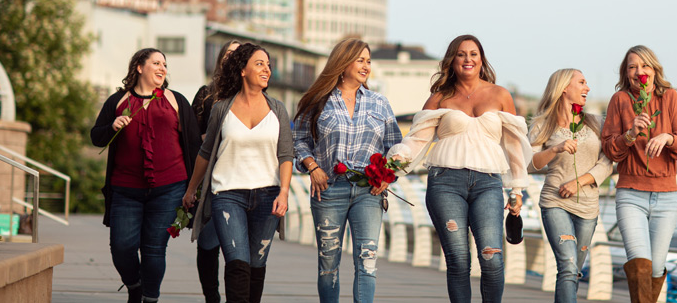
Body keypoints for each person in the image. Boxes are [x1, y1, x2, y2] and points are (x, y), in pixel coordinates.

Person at [388, 34, 532, 303]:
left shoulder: (500, 95)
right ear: (452, 61)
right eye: (461, 54)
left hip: (488, 183)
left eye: (473, 54)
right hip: (445, 182)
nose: (468, 59)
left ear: (481, 59)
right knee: (458, 260)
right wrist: (391, 166)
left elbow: (514, 146)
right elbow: (416, 140)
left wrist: (517, 190)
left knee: (491, 257)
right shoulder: (440, 97)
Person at [291, 39, 402, 303]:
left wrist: (388, 176)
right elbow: (297, 139)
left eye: (369, 61)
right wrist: (312, 166)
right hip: (328, 190)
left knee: (367, 262)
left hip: (369, 191)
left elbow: (395, 147)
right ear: (343, 63)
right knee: (328, 264)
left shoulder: (380, 103)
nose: (366, 66)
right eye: (360, 60)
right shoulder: (318, 101)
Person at [183, 43, 294, 303]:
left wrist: (285, 192)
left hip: (268, 196)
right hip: (227, 195)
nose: (266, 69)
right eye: (259, 64)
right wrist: (191, 189)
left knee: (256, 264)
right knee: (237, 263)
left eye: (268, 64)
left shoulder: (277, 109)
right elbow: (206, 153)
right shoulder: (222, 109)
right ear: (242, 70)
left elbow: (286, 155)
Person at [90, 48, 201, 303]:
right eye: (156, 63)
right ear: (139, 67)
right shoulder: (117, 101)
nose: (162, 68)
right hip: (125, 189)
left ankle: (150, 299)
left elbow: (193, 144)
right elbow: (96, 137)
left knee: (154, 250)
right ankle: (134, 286)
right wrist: (112, 126)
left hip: (170, 187)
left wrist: (192, 189)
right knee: (121, 247)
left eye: (164, 64)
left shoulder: (176, 101)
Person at [601, 45, 677, 303]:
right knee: (640, 263)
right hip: (631, 195)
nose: (639, 72)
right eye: (632, 67)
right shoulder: (619, 100)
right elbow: (609, 148)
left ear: (654, 70)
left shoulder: (670, 98)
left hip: (666, 197)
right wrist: (630, 134)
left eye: (644, 66)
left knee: (654, 268)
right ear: (625, 72)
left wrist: (668, 137)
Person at [529, 68, 613, 303]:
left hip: (588, 207)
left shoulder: (596, 123)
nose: (587, 88)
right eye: (582, 83)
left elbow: (608, 161)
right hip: (555, 203)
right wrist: (554, 148)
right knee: (567, 265)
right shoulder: (542, 125)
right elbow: (531, 163)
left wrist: (580, 182)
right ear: (564, 88)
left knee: (574, 270)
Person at [191, 39, 241, 303]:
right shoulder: (206, 94)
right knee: (207, 242)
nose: (232, 58)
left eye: (238, 54)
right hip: (210, 179)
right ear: (221, 58)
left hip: (241, 178)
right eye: (229, 53)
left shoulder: (252, 96)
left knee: (236, 245)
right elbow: (188, 136)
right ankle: (212, 297)